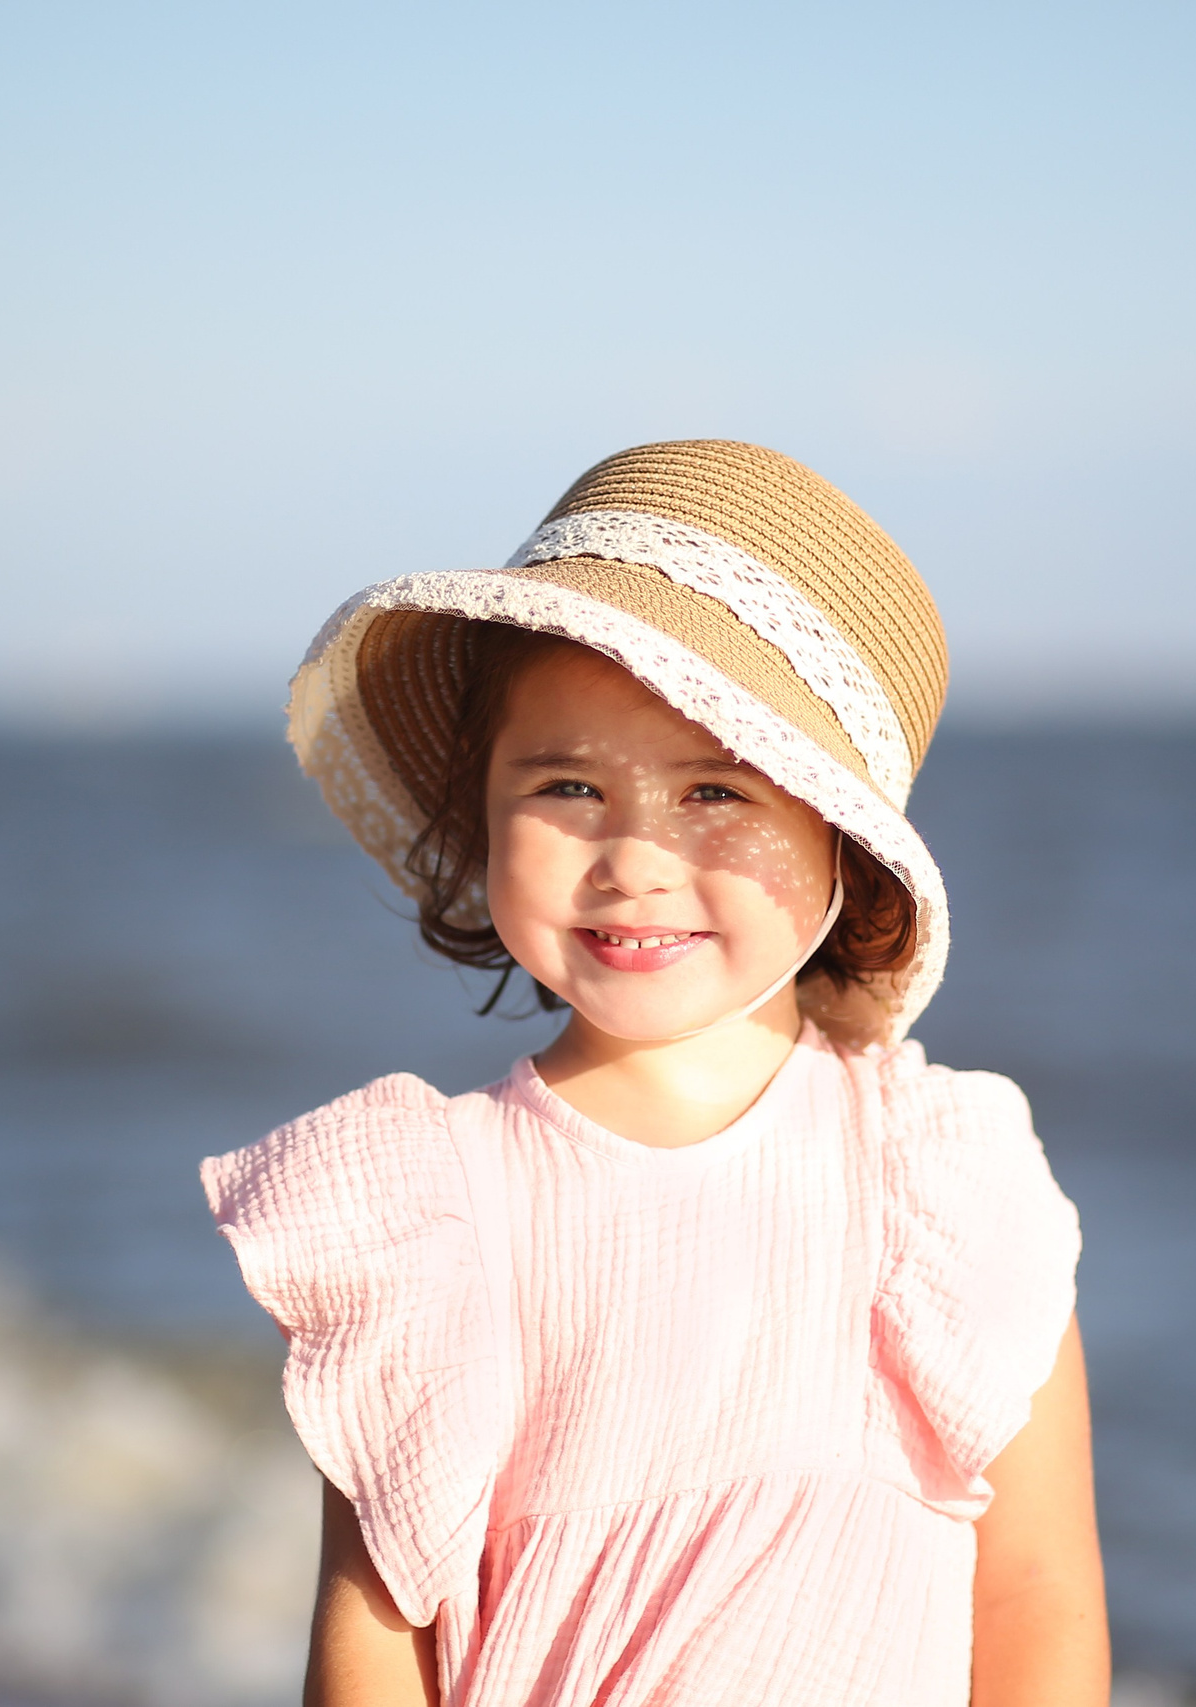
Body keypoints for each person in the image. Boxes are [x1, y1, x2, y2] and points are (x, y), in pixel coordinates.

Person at [202, 441, 1105, 1706]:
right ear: (480, 809)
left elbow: (1037, 1602)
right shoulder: (431, 1212)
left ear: (842, 843)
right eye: (568, 785)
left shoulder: (939, 1185)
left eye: (714, 790)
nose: (634, 857)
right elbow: (374, 1632)